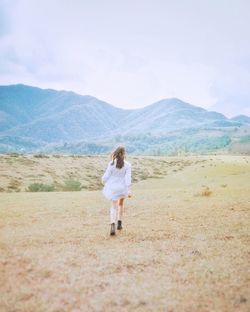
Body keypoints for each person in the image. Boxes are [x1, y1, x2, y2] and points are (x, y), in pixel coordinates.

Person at [101, 146, 132, 236]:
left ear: (115, 153)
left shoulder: (111, 163)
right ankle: (119, 223)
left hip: (113, 188)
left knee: (113, 206)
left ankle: (112, 224)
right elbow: (128, 178)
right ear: (124, 154)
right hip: (122, 187)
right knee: (121, 204)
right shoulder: (128, 165)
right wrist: (129, 189)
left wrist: (103, 181)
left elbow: (105, 176)